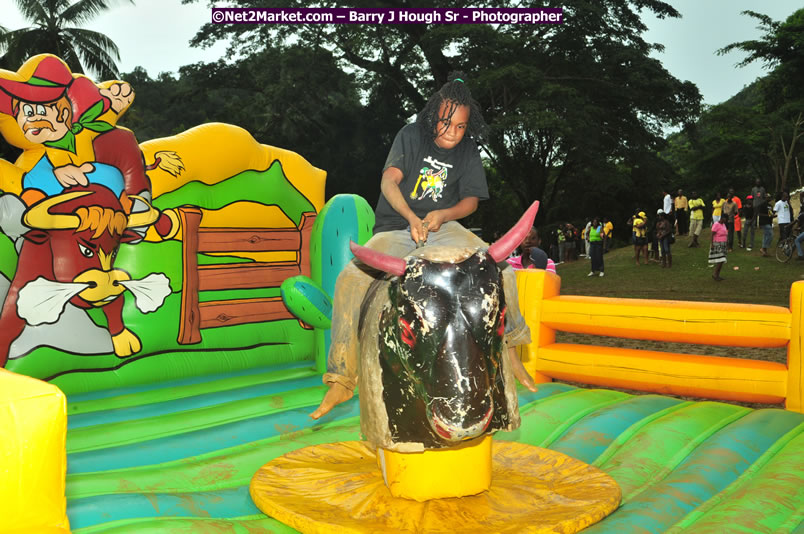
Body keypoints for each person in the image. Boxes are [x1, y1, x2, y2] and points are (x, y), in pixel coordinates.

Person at [310, 73, 536, 419]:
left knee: (501, 270)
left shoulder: (467, 150)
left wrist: (442, 214)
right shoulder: (411, 135)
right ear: (433, 116)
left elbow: (472, 201)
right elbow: (389, 181)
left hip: (444, 228)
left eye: (460, 127)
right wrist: (411, 218)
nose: (451, 132)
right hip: (399, 227)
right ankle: (342, 378)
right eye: (445, 123)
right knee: (350, 279)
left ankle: (510, 352)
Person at [709, 216, 728, 281]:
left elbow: (725, 234)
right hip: (717, 243)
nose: (725, 220)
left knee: (722, 260)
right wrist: (712, 244)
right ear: (722, 218)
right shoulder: (716, 224)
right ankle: (715, 274)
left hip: (723, 244)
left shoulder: (724, 225)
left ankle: (717, 275)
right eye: (725, 219)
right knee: (721, 259)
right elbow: (712, 234)